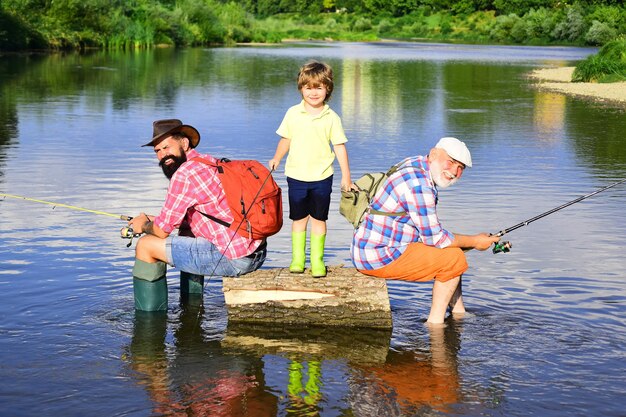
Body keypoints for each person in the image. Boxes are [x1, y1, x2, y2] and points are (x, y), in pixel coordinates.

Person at [350, 137, 500, 324]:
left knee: (453, 253)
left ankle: (458, 312)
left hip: (371, 247)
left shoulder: (417, 163)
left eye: (461, 168)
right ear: (435, 154)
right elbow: (436, 238)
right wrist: (476, 241)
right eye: (451, 162)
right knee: (453, 259)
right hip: (378, 255)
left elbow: (434, 235)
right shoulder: (420, 185)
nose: (454, 171)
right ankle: (435, 324)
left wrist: (470, 242)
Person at [128, 119, 267, 311]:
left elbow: (160, 232)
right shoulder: (210, 162)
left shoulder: (184, 174)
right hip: (256, 251)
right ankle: (191, 307)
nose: (162, 155)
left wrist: (142, 226)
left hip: (236, 258)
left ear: (184, 143)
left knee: (146, 246)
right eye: (157, 151)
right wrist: (152, 220)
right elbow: (192, 216)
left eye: (166, 147)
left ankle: (149, 325)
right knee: (187, 231)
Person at [269, 60, 355, 278]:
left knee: (319, 218)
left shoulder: (331, 117)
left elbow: (339, 147)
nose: (314, 92)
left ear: (328, 89)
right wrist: (277, 158)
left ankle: (317, 261)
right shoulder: (292, 113)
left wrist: (346, 175)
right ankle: (298, 259)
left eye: (319, 87)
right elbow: (286, 139)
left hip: (322, 177)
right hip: (296, 175)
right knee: (298, 219)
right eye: (309, 87)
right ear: (301, 88)